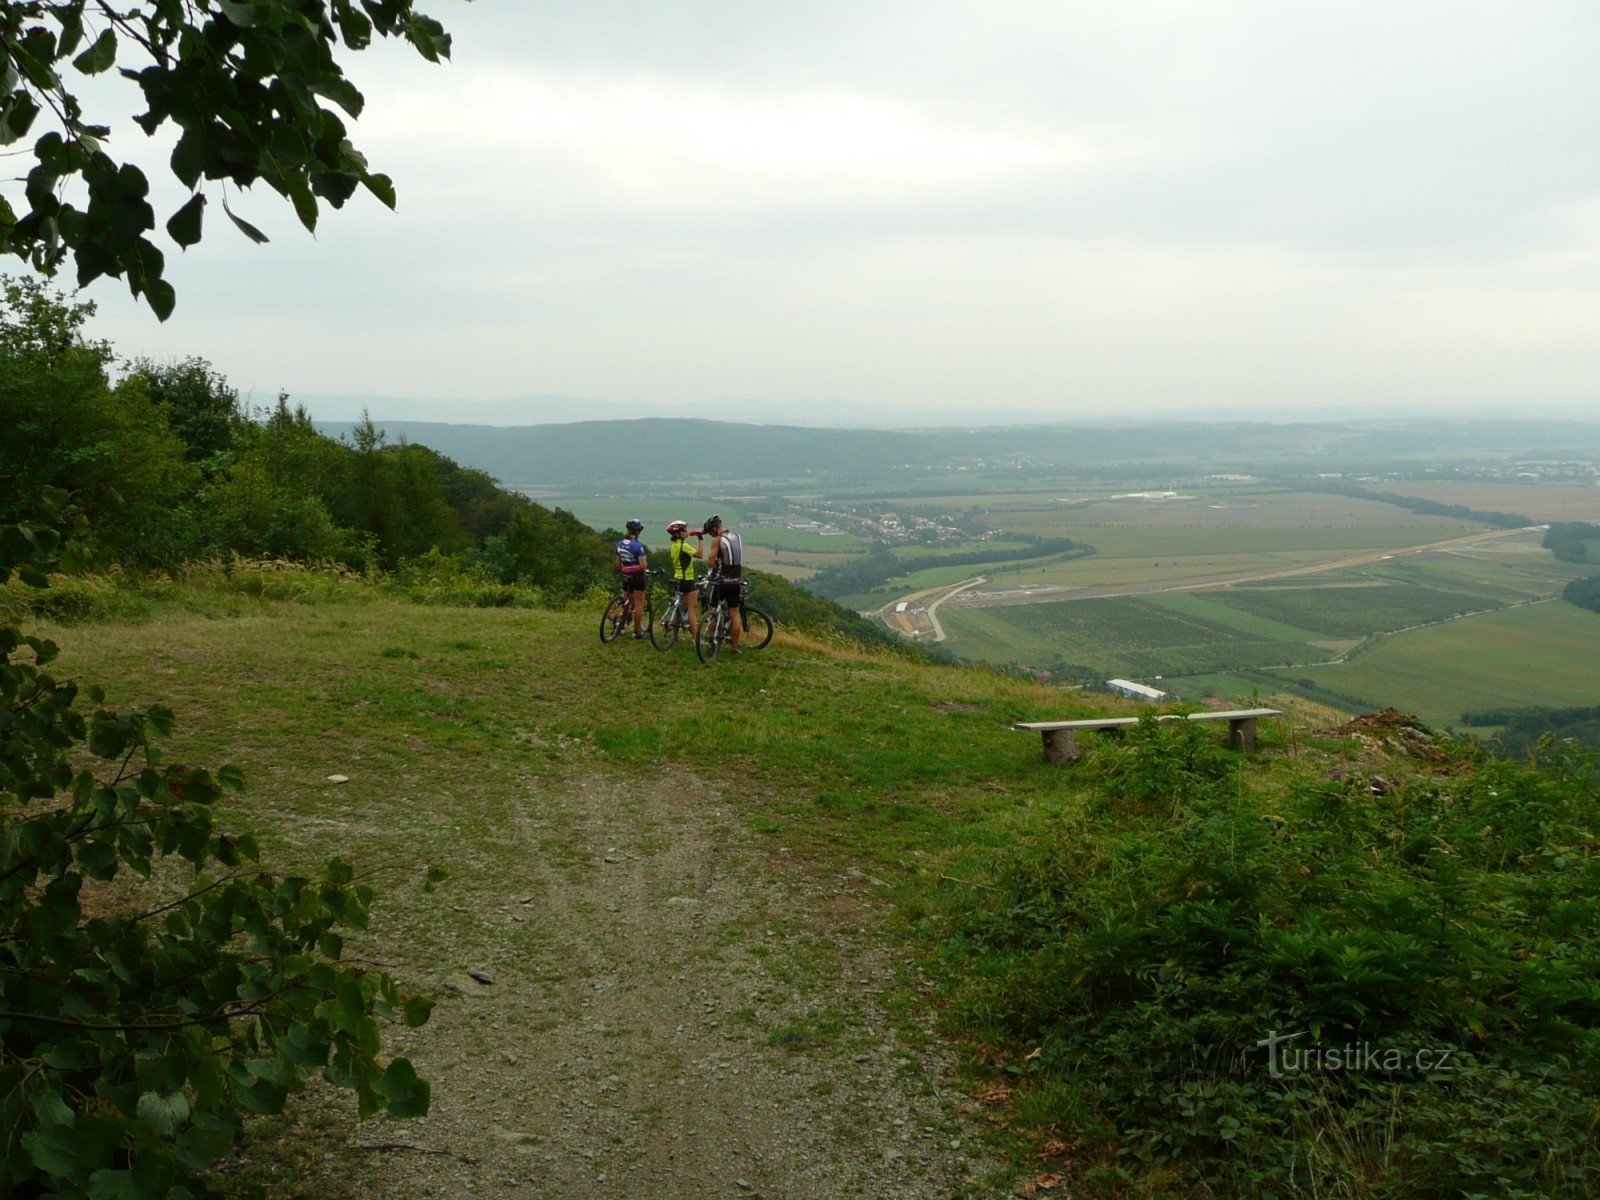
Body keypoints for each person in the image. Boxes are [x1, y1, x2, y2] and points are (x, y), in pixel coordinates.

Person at [701, 514, 744, 650]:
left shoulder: (717, 539)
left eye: (710, 532)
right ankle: (735, 647)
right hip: (735, 580)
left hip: (721, 582)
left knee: (712, 609)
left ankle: (709, 638)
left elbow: (710, 562)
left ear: (715, 529)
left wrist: (713, 566)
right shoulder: (737, 536)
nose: (710, 535)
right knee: (734, 615)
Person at [664, 519, 704, 638]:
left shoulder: (673, 546)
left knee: (679, 607)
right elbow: (700, 555)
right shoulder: (684, 546)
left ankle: (675, 636)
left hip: (678, 579)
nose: (686, 532)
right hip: (687, 580)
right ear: (677, 534)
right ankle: (695, 639)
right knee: (692, 609)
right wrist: (700, 539)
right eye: (684, 530)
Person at [614, 518, 649, 639]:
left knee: (625, 602)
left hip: (626, 576)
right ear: (637, 531)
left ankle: (621, 627)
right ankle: (636, 632)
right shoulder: (638, 546)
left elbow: (618, 564)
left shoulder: (619, 544)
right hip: (638, 578)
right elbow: (643, 565)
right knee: (639, 605)